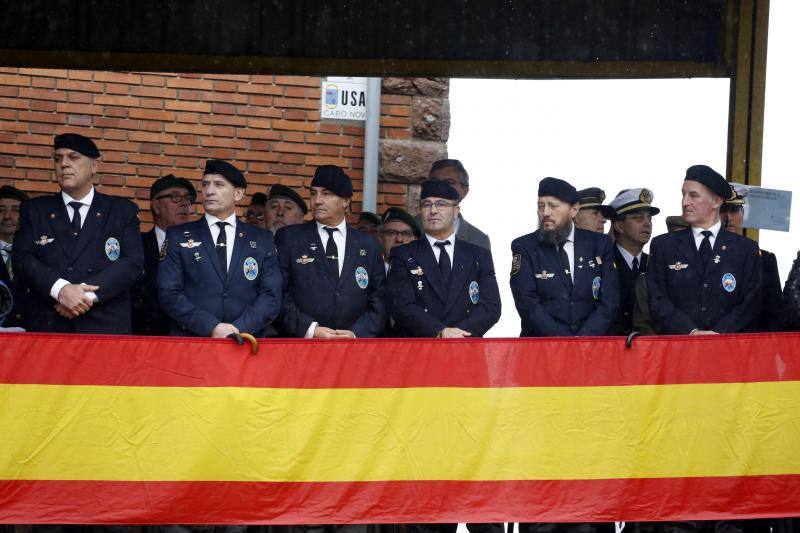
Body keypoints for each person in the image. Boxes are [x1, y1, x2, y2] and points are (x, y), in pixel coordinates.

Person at [14, 133, 143, 334]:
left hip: (104, 329)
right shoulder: (35, 210)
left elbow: (132, 263)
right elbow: (22, 259)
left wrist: (83, 297)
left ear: (94, 166)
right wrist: (61, 290)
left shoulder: (121, 211)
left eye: (73, 157)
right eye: (58, 158)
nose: (64, 164)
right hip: (50, 328)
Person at [157, 159, 282, 338]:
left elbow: (271, 296)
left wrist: (237, 329)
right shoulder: (178, 236)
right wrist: (211, 327)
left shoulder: (262, 239)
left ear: (238, 194)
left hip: (245, 342)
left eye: (219, 185)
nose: (209, 191)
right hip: (193, 342)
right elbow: (169, 293)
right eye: (205, 184)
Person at [647, 165, 762, 335]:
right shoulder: (664, 246)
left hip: (727, 351)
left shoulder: (745, 250)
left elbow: (751, 304)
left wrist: (717, 335)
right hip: (679, 350)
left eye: (693, 195)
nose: (685, 202)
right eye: (683, 194)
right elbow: (657, 300)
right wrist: (691, 332)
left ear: (716, 201)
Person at [275, 165, 386, 339]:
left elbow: (379, 300)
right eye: (313, 193)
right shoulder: (290, 238)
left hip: (353, 349)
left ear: (346, 201)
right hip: (301, 346)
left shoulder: (368, 244)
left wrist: (356, 334)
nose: (317, 200)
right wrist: (310, 330)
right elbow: (277, 293)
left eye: (326, 194)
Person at [388, 180, 501, 338]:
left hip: (465, 349)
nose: (433, 210)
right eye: (426, 204)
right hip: (420, 350)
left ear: (455, 211)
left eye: (441, 204)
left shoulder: (478, 255)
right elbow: (401, 306)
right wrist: (439, 331)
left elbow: (491, 307)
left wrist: (459, 335)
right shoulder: (403, 254)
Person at [510, 177, 620, 338]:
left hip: (591, 348)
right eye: (541, 206)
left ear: (574, 210)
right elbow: (526, 301)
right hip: (543, 349)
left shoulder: (600, 244)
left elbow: (610, 301)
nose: (545, 213)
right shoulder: (525, 246)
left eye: (553, 206)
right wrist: (563, 341)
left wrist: (583, 339)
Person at [132, 174, 196, 336]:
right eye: (175, 197)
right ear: (157, 205)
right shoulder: (136, 246)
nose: (184, 203)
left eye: (188, 199)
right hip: (146, 341)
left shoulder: (202, 247)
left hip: (191, 341)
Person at [720, 184, 783, 331]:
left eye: (734, 210)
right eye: (723, 210)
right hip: (714, 344)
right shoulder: (704, 257)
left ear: (742, 214)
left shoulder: (765, 260)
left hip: (752, 347)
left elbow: (775, 314)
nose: (729, 217)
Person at [606, 188, 660, 335]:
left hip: (649, 349)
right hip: (612, 347)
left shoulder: (655, 264)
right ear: (619, 226)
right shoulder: (605, 262)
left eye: (649, 218)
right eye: (638, 218)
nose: (647, 223)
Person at [427, 158, 491, 250]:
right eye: (435, 182)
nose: (440, 187)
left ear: (464, 191)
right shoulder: (410, 229)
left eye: (449, 183)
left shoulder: (479, 240)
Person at [0, 185, 30, 328]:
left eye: (15, 210)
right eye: (1, 210)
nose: (7, 216)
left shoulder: (38, 252)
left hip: (32, 337)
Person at [379, 206, 421, 272]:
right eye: (391, 233)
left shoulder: (425, 274)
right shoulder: (369, 271)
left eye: (406, 233)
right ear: (381, 238)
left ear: (415, 240)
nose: (399, 239)